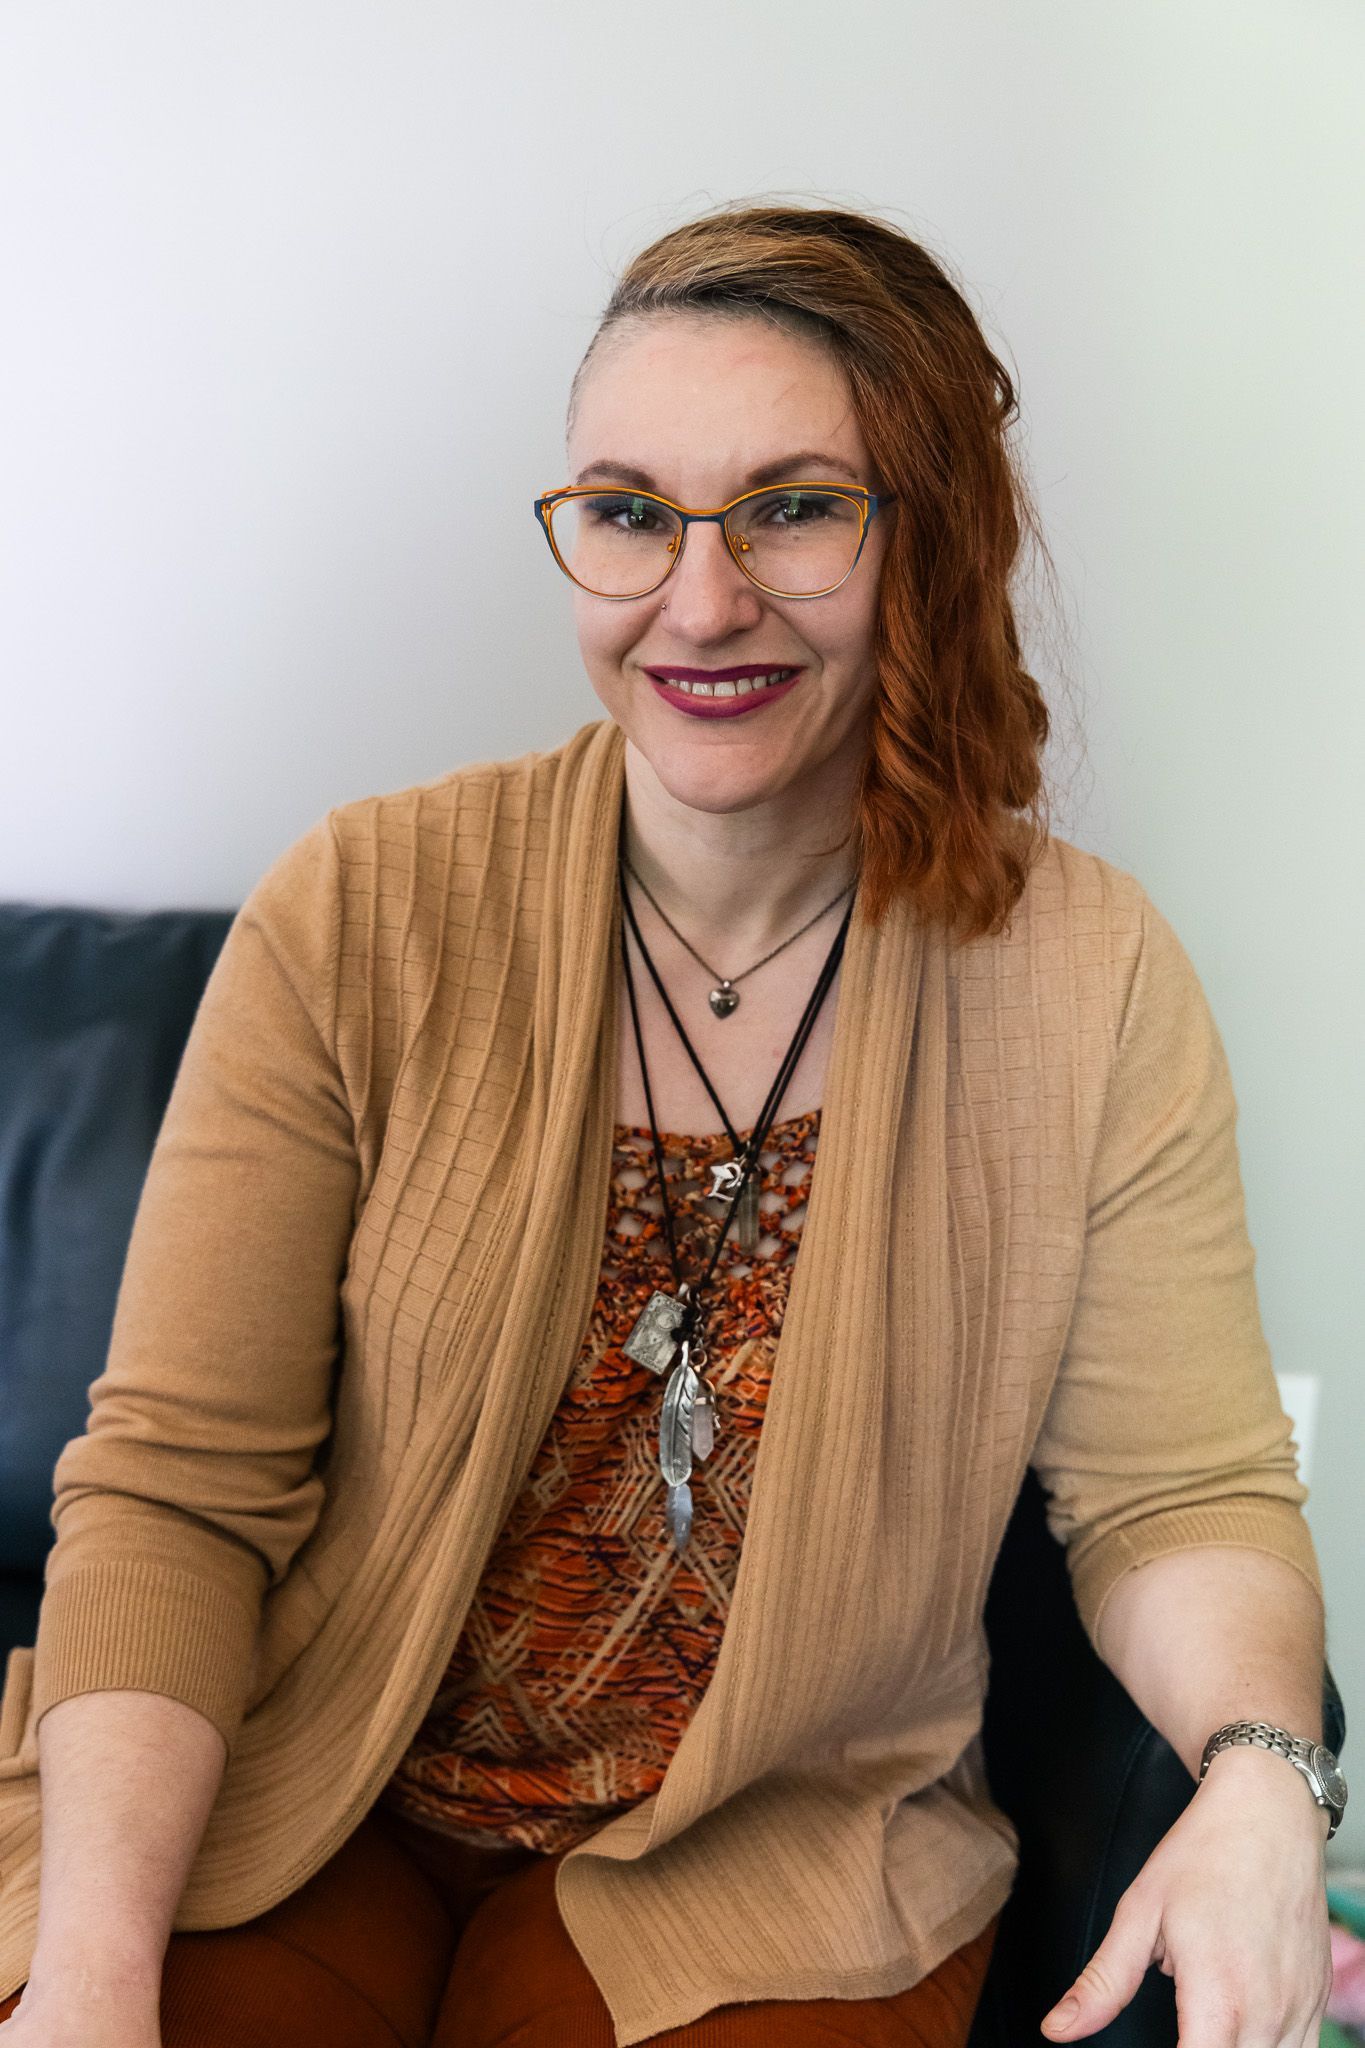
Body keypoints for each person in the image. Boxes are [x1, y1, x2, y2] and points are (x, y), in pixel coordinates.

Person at [0, 202, 1343, 2048]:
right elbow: (177, 1494)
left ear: (924, 541)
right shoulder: (363, 909)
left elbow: (1175, 1493)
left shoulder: (1087, 978)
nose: (697, 603)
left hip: (772, 1847)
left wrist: (1265, 1774)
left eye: (792, 507)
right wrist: (87, 1986)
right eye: (629, 512)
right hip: (302, 1788)